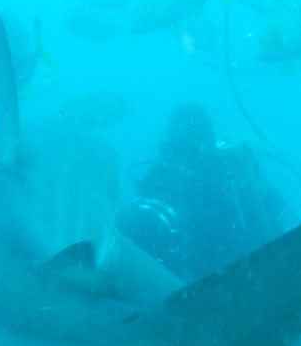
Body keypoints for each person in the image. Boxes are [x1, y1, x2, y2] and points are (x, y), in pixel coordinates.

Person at [118, 103, 285, 283]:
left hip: (243, 271)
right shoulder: (159, 173)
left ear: (207, 139)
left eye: (189, 136)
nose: (181, 143)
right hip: (182, 279)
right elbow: (137, 225)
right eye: (175, 134)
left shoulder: (229, 170)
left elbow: (275, 219)